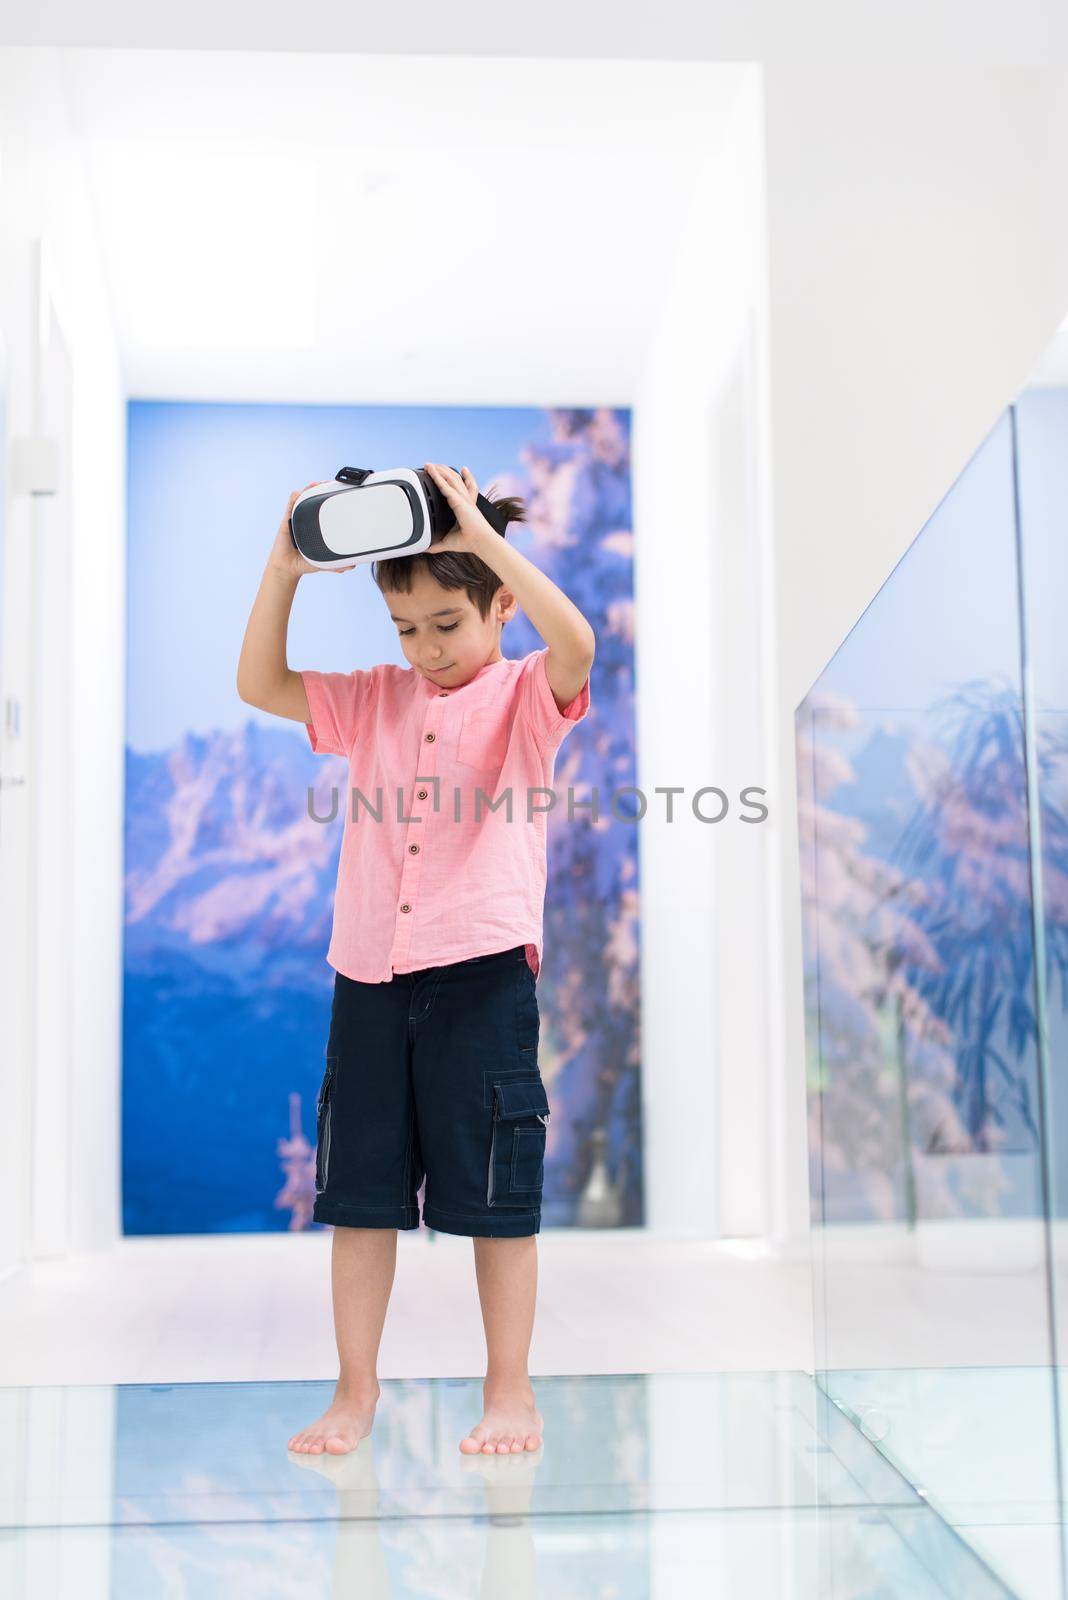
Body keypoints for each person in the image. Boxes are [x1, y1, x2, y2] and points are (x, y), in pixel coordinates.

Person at [236, 460, 595, 1458]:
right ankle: (356, 1391)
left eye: (448, 623)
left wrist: (479, 534)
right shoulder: (373, 701)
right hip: (369, 978)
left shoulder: (529, 694)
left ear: (497, 605)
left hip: (481, 979)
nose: (427, 648)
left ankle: (510, 1390)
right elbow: (259, 682)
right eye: (407, 628)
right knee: (359, 1195)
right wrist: (284, 569)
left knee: (495, 1197)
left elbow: (580, 642)